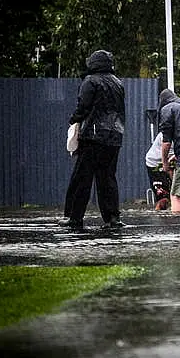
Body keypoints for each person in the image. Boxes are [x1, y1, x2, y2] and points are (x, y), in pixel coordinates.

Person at [58, 50, 125, 229]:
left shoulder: (90, 81)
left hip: (93, 136)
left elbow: (84, 106)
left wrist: (74, 119)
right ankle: (113, 218)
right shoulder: (118, 83)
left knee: (82, 177)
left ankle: (74, 216)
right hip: (115, 136)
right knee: (107, 177)